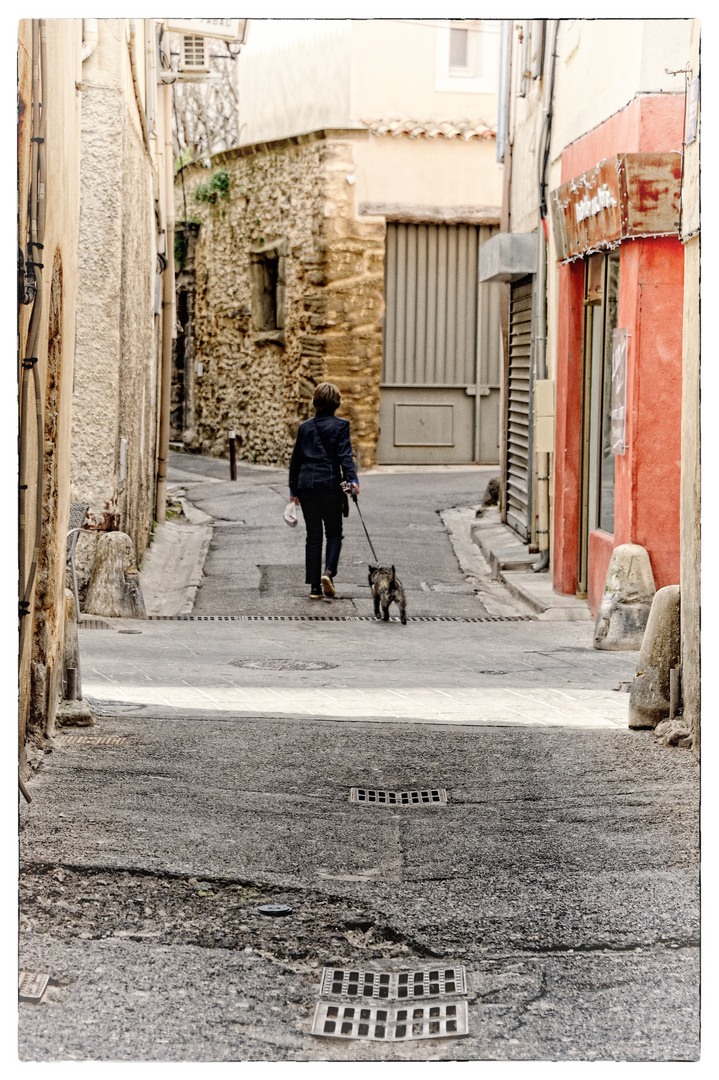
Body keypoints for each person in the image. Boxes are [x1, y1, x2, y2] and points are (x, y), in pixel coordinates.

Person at [289, 383, 359, 599]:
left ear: (315, 401)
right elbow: (344, 457)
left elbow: (296, 460)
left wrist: (293, 490)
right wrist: (352, 481)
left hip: (306, 486)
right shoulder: (341, 426)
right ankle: (328, 572)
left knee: (313, 536)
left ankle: (314, 588)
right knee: (334, 532)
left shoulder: (305, 427)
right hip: (330, 484)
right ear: (336, 403)